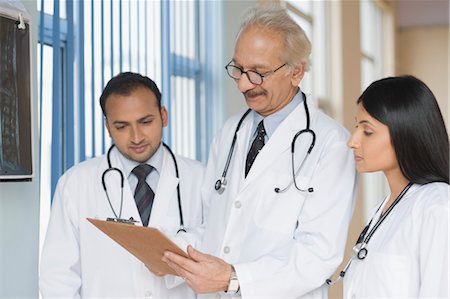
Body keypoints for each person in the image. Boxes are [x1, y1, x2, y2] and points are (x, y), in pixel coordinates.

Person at [162, 5, 357, 298]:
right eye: (238, 69)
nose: (243, 83)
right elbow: (212, 223)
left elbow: (318, 254)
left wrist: (234, 278)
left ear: (297, 72)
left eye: (258, 73)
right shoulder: (230, 132)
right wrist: (169, 250)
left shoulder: (330, 144)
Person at [39, 72, 204, 298]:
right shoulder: (76, 183)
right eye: (122, 126)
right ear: (108, 126)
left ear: (163, 116)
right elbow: (58, 279)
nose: (136, 137)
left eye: (145, 122)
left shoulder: (202, 179)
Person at [341, 75, 449, 298]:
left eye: (367, 131)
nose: (352, 141)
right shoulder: (384, 209)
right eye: (356, 127)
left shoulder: (437, 206)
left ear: (405, 133)